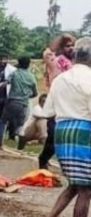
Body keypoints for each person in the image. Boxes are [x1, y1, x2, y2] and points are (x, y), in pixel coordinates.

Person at [35, 37, 91, 217]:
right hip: (83, 132)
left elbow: (47, 111)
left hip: (61, 132)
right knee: (86, 188)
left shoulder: (60, 79)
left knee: (76, 184)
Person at [38, 34, 76, 169]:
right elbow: (48, 52)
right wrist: (63, 37)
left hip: (72, 105)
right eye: (67, 46)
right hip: (57, 104)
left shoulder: (76, 63)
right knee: (54, 136)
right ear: (61, 47)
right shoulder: (56, 61)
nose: (71, 48)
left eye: (73, 46)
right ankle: (43, 160)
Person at [0, 57, 38, 149]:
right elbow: (35, 93)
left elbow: (4, 83)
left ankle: (0, 144)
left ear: (19, 64)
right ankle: (21, 137)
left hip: (12, 101)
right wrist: (26, 96)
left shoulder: (15, 73)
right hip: (24, 104)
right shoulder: (31, 76)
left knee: (3, 121)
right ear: (28, 65)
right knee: (20, 124)